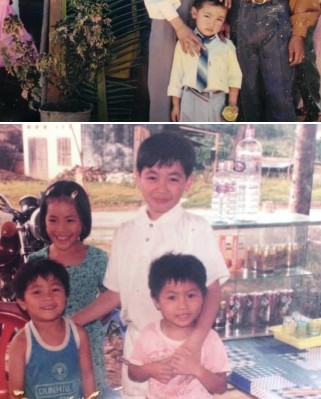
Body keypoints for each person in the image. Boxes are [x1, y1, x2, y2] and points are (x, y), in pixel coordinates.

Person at [73, 131, 229, 399]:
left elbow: (213, 290)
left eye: (173, 178)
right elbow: (115, 294)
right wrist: (70, 322)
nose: (161, 188)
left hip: (186, 352)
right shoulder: (125, 232)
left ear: (188, 182)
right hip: (141, 355)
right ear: (138, 177)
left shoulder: (196, 228)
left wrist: (195, 343)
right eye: (152, 177)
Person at [28, 181, 108, 396]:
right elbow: (24, 300)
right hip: (45, 346)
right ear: (43, 221)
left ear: (83, 221)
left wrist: (88, 319)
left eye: (70, 220)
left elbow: (112, 294)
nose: (61, 229)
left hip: (87, 345)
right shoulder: (36, 261)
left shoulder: (98, 259)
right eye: (53, 220)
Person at [128, 253, 229, 399]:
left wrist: (196, 369)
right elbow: (133, 372)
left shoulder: (210, 339)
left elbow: (221, 387)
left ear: (203, 297)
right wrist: (149, 369)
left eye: (191, 296)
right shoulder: (149, 334)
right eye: (172, 297)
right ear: (156, 301)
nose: (183, 306)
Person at [8, 258, 96, 399]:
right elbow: (15, 393)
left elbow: (88, 376)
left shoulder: (79, 335)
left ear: (66, 295)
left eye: (55, 289)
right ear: (22, 302)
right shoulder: (21, 343)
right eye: (37, 292)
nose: (48, 297)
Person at [168, 0, 242, 122]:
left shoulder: (227, 47)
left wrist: (232, 103)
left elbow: (235, 76)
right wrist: (175, 106)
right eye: (207, 16)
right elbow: (176, 75)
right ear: (195, 13)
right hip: (190, 98)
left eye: (219, 19)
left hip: (217, 101)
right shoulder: (183, 43)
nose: (211, 23)